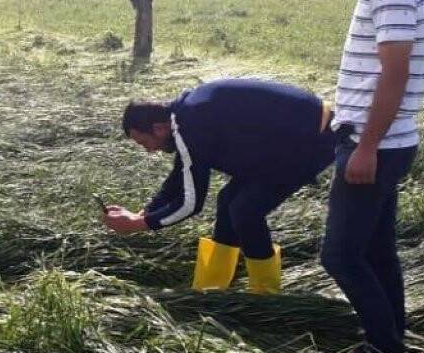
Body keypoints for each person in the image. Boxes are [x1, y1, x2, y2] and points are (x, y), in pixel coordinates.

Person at [313, 0, 424, 353]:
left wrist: (366, 147)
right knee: (378, 251)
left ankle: (385, 350)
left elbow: (395, 72)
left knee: (340, 256)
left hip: (376, 144)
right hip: (381, 138)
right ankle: (391, 338)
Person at [102, 78, 337, 294]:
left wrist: (140, 224)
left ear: (158, 128)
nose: (149, 150)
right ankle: (211, 289)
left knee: (245, 210)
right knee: (228, 201)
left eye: (145, 143)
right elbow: (181, 173)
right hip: (288, 139)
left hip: (313, 138)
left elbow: (191, 204)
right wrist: (148, 210)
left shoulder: (191, 125)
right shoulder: (186, 116)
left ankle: (267, 297)